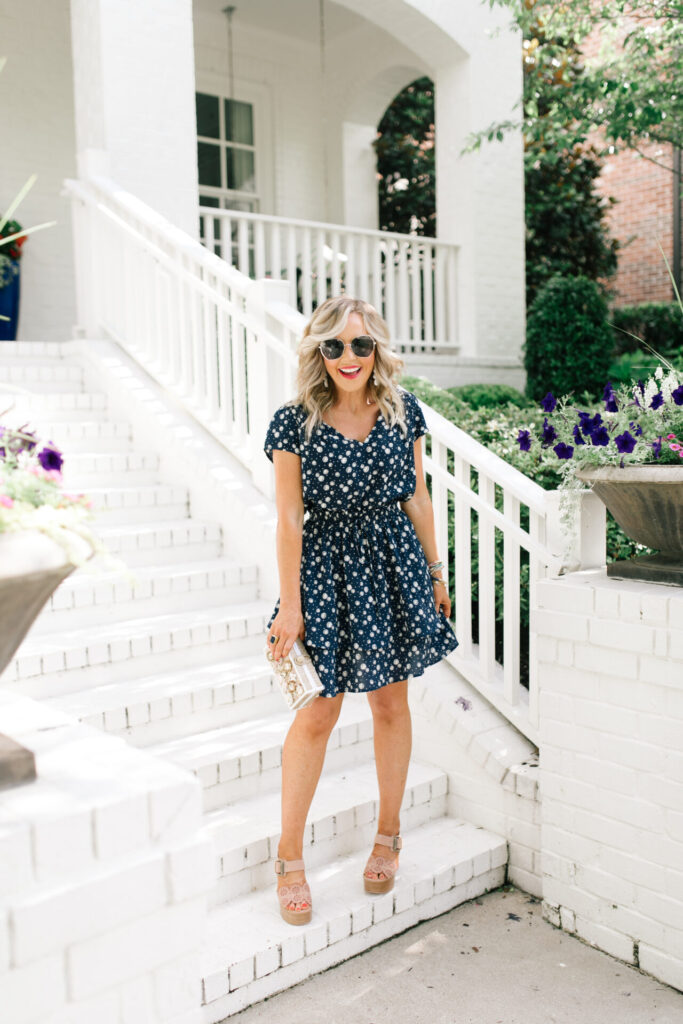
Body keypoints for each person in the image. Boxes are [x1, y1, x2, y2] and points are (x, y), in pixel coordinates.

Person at [264, 295, 458, 926]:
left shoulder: (404, 413)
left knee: (389, 703)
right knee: (317, 712)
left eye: (360, 345)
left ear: (378, 348)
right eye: (334, 346)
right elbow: (290, 518)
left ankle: (389, 835)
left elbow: (418, 498)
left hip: (390, 566)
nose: (348, 357)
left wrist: (435, 571)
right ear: (317, 353)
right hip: (322, 571)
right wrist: (289, 605)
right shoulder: (294, 422)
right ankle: (288, 856)